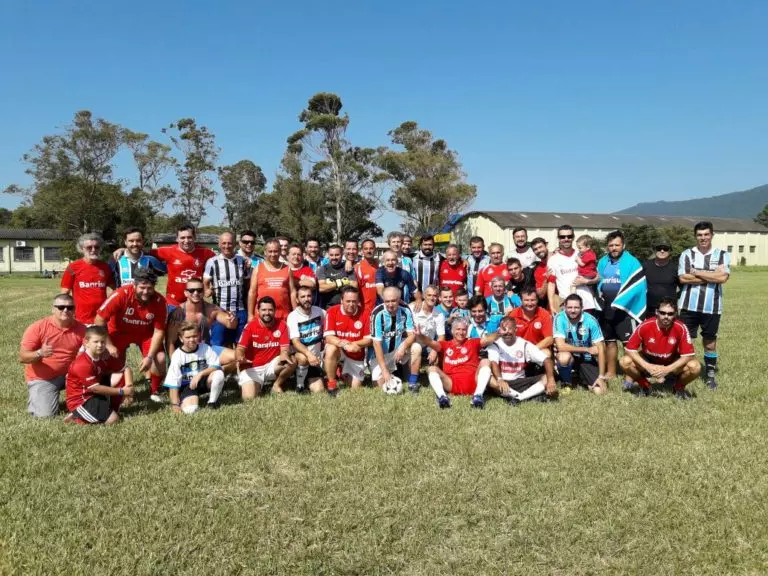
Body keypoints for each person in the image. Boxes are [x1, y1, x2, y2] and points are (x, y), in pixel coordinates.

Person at [94, 268, 168, 403]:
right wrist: (109, 346)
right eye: (142, 287)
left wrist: (150, 357)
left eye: (150, 288)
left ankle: (155, 390)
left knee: (160, 357)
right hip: (119, 332)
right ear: (135, 285)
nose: (146, 292)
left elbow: (159, 331)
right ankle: (119, 388)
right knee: (110, 359)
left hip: (146, 334)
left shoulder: (159, 301)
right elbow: (99, 319)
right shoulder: (121, 294)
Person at [678, 221, 730, 389]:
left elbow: (723, 278)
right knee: (685, 341)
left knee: (709, 341)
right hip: (688, 306)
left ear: (712, 235)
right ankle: (683, 371)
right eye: (700, 235)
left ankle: (710, 375)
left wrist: (698, 272)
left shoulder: (722, 255)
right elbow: (683, 278)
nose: (703, 238)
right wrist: (712, 274)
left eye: (706, 234)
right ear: (695, 236)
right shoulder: (686, 254)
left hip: (712, 306)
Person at [19, 294, 87, 418]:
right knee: (45, 416)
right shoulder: (38, 327)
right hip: (43, 378)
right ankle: (38, 398)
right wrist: (40, 353)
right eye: (61, 307)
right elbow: (23, 357)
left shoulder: (82, 329)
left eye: (70, 307)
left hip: (71, 376)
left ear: (74, 310)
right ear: (53, 309)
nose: (65, 310)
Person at [620, 297, 701, 399]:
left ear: (675, 314)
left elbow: (688, 355)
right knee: (624, 361)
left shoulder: (681, 327)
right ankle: (645, 385)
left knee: (695, 367)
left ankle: (678, 388)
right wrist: (647, 366)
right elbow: (629, 350)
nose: (666, 316)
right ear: (656, 312)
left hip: (670, 361)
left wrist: (667, 369)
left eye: (670, 314)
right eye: (662, 313)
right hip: (648, 359)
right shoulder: (645, 325)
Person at [594, 230, 647, 382]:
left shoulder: (632, 262)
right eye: (611, 245)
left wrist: (620, 302)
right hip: (606, 308)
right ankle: (611, 372)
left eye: (617, 245)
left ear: (623, 245)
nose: (614, 248)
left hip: (626, 310)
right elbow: (598, 281)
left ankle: (629, 374)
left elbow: (637, 285)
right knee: (609, 342)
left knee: (629, 344)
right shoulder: (603, 261)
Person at [416, 317, 501, 409]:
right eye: (458, 329)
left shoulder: (473, 342)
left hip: (474, 382)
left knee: (485, 361)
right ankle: (442, 397)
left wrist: (499, 333)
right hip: (451, 384)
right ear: (452, 331)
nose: (461, 332)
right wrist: (421, 336)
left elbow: (487, 339)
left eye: (464, 329)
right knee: (431, 369)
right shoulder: (445, 345)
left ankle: (478, 396)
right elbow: (431, 342)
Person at [476, 316, 557, 408]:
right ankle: (527, 396)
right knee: (489, 378)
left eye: (510, 329)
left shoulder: (524, 344)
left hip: (519, 381)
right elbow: (494, 362)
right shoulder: (495, 344)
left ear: (516, 329)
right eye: (504, 329)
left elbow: (546, 360)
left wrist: (551, 380)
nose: (507, 332)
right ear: (500, 330)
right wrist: (500, 379)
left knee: (546, 378)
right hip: (500, 382)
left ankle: (518, 398)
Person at [65, 325, 133, 425]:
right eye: (96, 342)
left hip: (94, 394)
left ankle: (109, 407)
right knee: (114, 420)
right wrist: (122, 391)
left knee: (120, 375)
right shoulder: (83, 364)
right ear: (86, 343)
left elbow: (125, 368)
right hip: (82, 400)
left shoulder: (103, 356)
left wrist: (129, 387)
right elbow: (96, 389)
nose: (100, 345)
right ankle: (76, 416)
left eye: (103, 342)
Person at [165, 277, 237, 362]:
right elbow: (170, 342)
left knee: (236, 357)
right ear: (186, 293)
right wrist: (175, 363)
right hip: (185, 354)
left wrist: (232, 319)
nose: (196, 293)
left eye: (199, 290)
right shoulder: (177, 313)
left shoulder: (212, 309)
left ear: (203, 292)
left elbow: (231, 325)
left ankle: (214, 370)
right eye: (192, 290)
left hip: (205, 351)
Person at [236, 296, 296, 397]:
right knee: (249, 399)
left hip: (271, 366)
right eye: (263, 310)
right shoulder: (250, 326)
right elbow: (240, 348)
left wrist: (285, 355)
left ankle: (276, 385)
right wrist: (239, 357)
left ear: (275, 311)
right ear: (258, 311)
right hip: (252, 368)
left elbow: (284, 349)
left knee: (292, 360)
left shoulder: (282, 325)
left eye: (270, 310)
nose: (267, 313)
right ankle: (255, 384)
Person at [148, 223, 216, 309]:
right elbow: (142, 253)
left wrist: (211, 287)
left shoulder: (206, 253)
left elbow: (219, 266)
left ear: (194, 238)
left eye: (189, 237)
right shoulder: (167, 251)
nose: (186, 241)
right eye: (182, 238)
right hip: (173, 303)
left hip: (196, 302)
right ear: (177, 239)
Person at [164, 321, 225, 413]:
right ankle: (189, 399)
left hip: (203, 381)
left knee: (219, 374)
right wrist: (175, 404)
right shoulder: (177, 355)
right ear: (181, 338)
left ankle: (212, 402)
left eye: (194, 336)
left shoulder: (205, 348)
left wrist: (200, 374)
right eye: (188, 337)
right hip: (187, 386)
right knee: (191, 410)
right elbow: (174, 382)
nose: (192, 339)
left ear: (199, 336)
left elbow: (216, 366)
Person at [203, 232, 251, 347]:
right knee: (220, 345)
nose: (227, 246)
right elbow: (205, 281)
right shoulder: (212, 262)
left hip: (240, 310)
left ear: (235, 244)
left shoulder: (242, 261)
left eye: (229, 243)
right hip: (220, 310)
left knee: (242, 345)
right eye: (223, 243)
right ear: (219, 244)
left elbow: (247, 284)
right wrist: (207, 290)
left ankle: (240, 365)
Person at [553, 294, 607, 394]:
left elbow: (601, 349)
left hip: (587, 360)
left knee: (599, 392)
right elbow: (561, 346)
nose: (573, 310)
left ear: (582, 308)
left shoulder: (591, 320)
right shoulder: (559, 318)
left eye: (576, 307)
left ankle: (580, 377)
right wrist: (587, 349)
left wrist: (601, 376)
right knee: (563, 357)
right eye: (569, 307)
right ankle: (567, 383)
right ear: (564, 307)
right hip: (570, 357)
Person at [323, 286, 372, 394]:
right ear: (341, 301)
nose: (351, 304)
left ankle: (339, 372)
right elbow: (329, 337)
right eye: (348, 301)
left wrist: (353, 344)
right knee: (331, 349)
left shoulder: (366, 313)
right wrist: (345, 345)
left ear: (358, 301)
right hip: (340, 349)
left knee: (356, 388)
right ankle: (331, 385)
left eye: (354, 301)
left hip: (355, 353)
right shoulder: (332, 311)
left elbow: (368, 340)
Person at [61, 232, 115, 324]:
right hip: (80, 319)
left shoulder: (105, 267)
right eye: (89, 247)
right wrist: (68, 311)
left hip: (101, 318)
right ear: (82, 249)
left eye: (96, 247)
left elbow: (112, 290)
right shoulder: (73, 267)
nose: (93, 250)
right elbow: (64, 293)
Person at [369, 287, 416, 387]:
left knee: (416, 347)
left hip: (398, 350)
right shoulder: (377, 313)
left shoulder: (405, 309)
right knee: (379, 385)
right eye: (387, 301)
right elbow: (376, 344)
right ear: (383, 300)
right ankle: (391, 372)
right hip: (380, 355)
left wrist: (403, 347)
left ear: (399, 299)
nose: (390, 304)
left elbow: (412, 335)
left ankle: (411, 380)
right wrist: (384, 370)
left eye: (394, 301)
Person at [547, 225, 597, 315]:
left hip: (586, 303)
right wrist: (551, 306)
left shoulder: (583, 254)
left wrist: (586, 281)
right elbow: (551, 284)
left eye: (569, 236)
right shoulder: (552, 260)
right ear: (558, 238)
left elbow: (597, 276)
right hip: (567, 305)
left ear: (573, 237)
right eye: (562, 237)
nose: (566, 239)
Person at [287, 286, 326, 394]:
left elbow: (327, 332)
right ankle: (300, 385)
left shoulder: (320, 312)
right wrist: (309, 355)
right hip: (302, 357)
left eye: (309, 296)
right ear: (297, 299)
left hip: (316, 359)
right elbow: (295, 342)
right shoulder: (293, 316)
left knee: (319, 390)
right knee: (303, 357)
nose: (306, 299)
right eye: (303, 296)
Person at [247, 238, 296, 323]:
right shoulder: (258, 269)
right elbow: (252, 292)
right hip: (262, 317)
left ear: (280, 251)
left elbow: (292, 292)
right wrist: (250, 315)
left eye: (276, 251)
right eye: (270, 251)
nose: (273, 254)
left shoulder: (287, 269)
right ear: (265, 252)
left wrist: (296, 313)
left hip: (283, 317)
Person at [408, 285, 446, 393]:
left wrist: (434, 350)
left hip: (428, 344)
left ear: (438, 297)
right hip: (413, 343)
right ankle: (412, 382)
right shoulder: (413, 308)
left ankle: (433, 380)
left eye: (435, 295)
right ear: (424, 296)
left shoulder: (439, 315)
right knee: (416, 347)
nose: (432, 298)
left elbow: (441, 336)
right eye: (429, 295)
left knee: (439, 350)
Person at [509, 288, 554, 357]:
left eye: (532, 300)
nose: (530, 303)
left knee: (546, 353)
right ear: (521, 301)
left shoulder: (544, 314)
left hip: (537, 348)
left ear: (537, 301)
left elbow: (549, 338)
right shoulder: (513, 314)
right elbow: (509, 336)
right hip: (518, 350)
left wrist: (531, 350)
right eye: (526, 300)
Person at [643, 241, 679, 319]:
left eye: (665, 249)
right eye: (659, 248)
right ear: (654, 250)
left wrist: (673, 298)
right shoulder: (646, 265)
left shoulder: (675, 268)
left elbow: (683, 288)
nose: (662, 251)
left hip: (669, 311)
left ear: (670, 251)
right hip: (649, 309)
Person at [317, 244, 357, 309]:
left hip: (345, 307)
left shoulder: (348, 267)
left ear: (342, 255)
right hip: (328, 307)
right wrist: (341, 282)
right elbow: (321, 288)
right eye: (331, 255)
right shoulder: (323, 269)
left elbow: (354, 286)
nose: (334, 257)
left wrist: (329, 286)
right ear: (328, 255)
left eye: (337, 255)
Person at [355, 238, 380, 321]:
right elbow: (355, 290)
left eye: (371, 248)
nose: (368, 251)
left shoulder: (380, 266)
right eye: (366, 249)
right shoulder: (358, 267)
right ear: (362, 251)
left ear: (375, 250)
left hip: (380, 308)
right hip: (364, 310)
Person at [529, 237, 551, 308]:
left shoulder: (559, 257)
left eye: (540, 247)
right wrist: (546, 279)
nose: (538, 250)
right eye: (535, 249)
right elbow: (541, 295)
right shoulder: (538, 270)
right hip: (554, 304)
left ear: (546, 245)